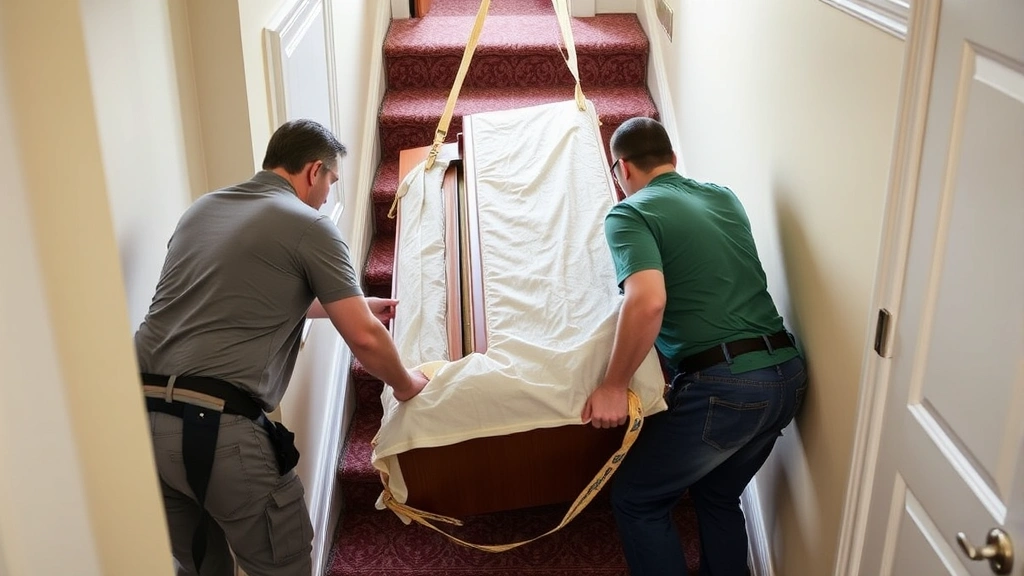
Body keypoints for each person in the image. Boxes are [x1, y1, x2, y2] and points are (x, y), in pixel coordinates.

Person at [136, 119, 429, 576]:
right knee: (282, 566)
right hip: (219, 429)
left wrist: (351, 305)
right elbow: (365, 337)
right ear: (313, 171)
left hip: (142, 420)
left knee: (201, 566)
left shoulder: (204, 209)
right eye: (331, 180)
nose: (327, 195)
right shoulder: (309, 225)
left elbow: (247, 297)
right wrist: (407, 384)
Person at [581, 117, 807, 576]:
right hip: (787, 376)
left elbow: (647, 301)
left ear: (623, 169)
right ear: (672, 159)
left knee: (638, 499)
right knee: (717, 494)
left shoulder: (629, 213)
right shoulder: (723, 196)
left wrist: (613, 385)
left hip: (728, 388)